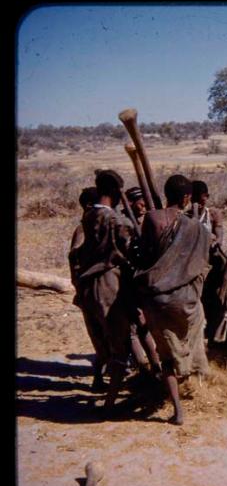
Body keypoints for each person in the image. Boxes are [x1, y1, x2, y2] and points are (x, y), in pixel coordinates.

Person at [134, 175, 212, 425]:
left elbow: (145, 256)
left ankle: (178, 410)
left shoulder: (153, 218)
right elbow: (201, 264)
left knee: (166, 356)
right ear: (188, 198)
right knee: (195, 332)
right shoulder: (197, 228)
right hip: (187, 299)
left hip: (159, 299)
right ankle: (196, 378)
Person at [72, 169, 135, 411]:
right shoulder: (115, 220)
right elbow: (129, 247)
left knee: (103, 341)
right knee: (120, 346)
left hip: (88, 287)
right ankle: (110, 405)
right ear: (115, 192)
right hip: (108, 285)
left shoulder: (89, 216)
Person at [122, 186, 162, 378]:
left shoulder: (150, 219)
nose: (144, 205)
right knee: (136, 324)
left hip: (150, 279)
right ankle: (147, 367)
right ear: (131, 203)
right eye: (140, 202)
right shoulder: (124, 222)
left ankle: (155, 364)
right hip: (131, 280)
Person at [188, 180, 226, 346]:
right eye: (195, 198)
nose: (200, 201)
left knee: (215, 300)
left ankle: (214, 338)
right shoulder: (188, 215)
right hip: (195, 265)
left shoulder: (213, 214)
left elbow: (219, 236)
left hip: (212, 263)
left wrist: (212, 241)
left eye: (202, 197)